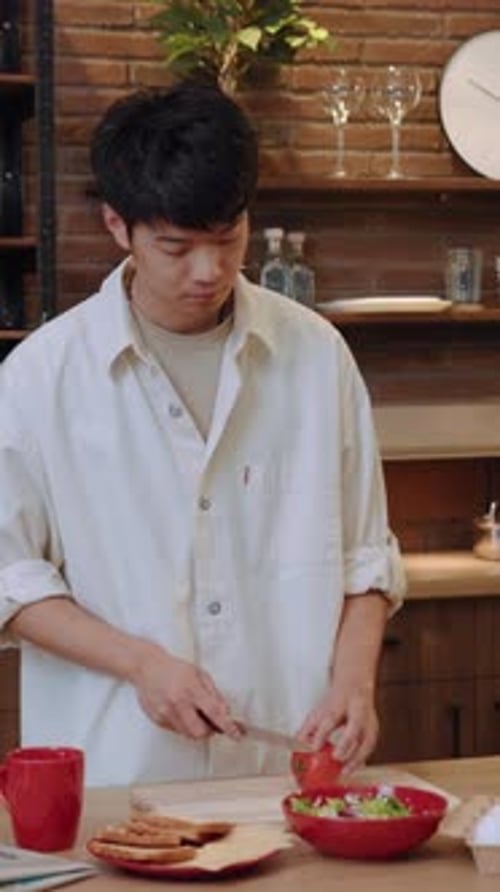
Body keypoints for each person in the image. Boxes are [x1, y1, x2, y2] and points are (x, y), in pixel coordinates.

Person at [0, 82, 405, 787]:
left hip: (281, 770)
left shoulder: (315, 354)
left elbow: (366, 556)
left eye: (227, 239)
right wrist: (140, 663)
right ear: (117, 226)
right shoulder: (42, 377)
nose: (209, 271)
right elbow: (10, 577)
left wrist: (354, 682)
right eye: (176, 246)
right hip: (119, 773)